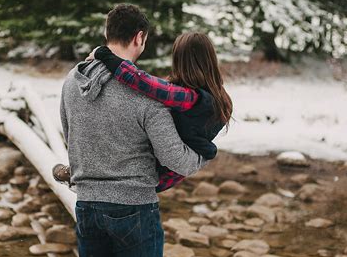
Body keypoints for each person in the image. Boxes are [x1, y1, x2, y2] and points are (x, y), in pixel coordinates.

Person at [56, 4, 206, 257]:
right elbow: (175, 157)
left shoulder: (72, 82)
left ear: (108, 33)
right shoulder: (145, 94)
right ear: (139, 37)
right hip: (135, 209)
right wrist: (202, 158)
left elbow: (68, 135)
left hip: (86, 203)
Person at [53, 31, 233, 193]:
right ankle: (84, 173)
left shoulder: (190, 99)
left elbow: (142, 82)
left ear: (179, 60)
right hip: (167, 170)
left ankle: (84, 175)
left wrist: (103, 54)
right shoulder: (220, 98)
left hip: (158, 173)